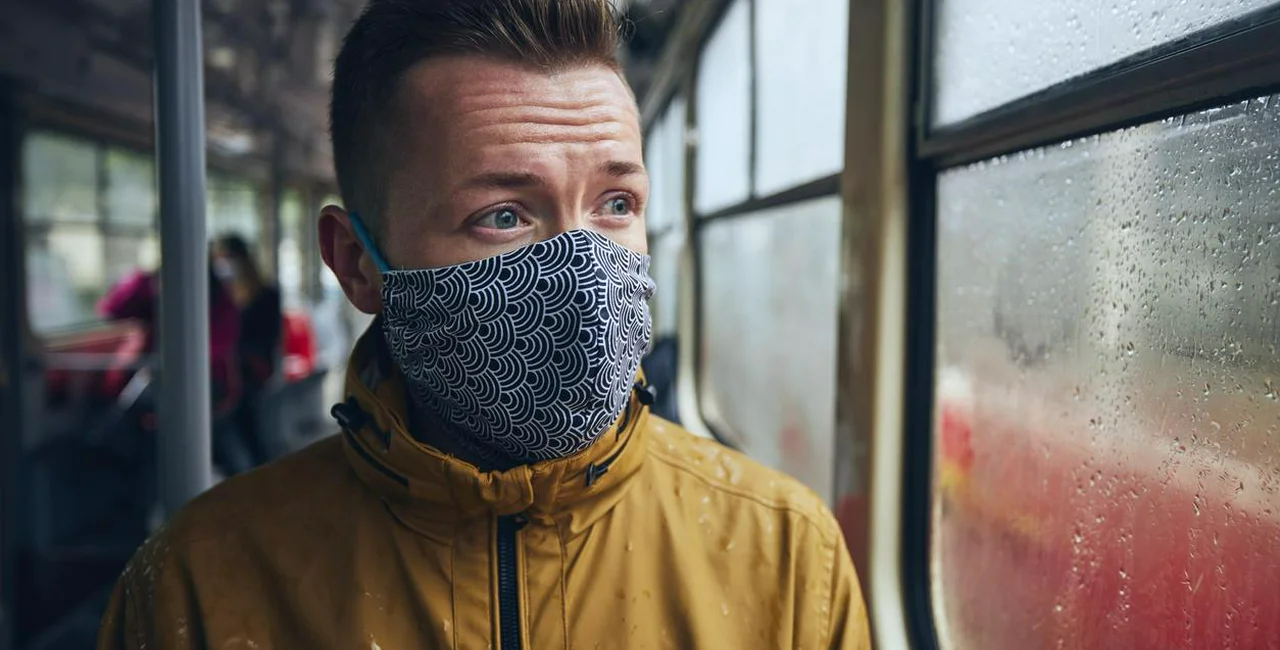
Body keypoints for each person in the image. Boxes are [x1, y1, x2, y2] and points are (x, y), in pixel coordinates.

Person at [97, 1, 871, 648]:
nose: (585, 269)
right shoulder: (198, 590)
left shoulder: (787, 556)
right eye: (503, 215)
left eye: (616, 204)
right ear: (357, 264)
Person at [97, 262, 252, 475]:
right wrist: (143, 280)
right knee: (133, 421)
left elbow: (206, 352)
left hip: (210, 384)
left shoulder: (220, 306)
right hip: (162, 381)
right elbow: (112, 310)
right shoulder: (160, 300)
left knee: (218, 436)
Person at [212, 233, 283, 466]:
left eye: (227, 257)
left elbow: (268, 338)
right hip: (226, 378)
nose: (223, 264)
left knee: (253, 435)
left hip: (252, 378)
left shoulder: (266, 295)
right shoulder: (218, 297)